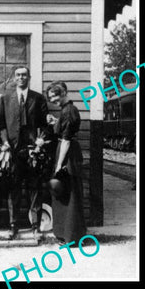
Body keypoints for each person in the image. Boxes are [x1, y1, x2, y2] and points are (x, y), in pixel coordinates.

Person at [0, 66, 49, 240]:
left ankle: (35, 227)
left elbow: (46, 124)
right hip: (13, 151)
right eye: (18, 75)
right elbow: (0, 125)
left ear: (29, 77)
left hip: (33, 151)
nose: (21, 77)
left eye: (24, 75)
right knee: (14, 189)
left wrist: (41, 139)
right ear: (13, 78)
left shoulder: (38, 98)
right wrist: (4, 142)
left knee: (35, 188)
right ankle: (13, 226)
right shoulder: (5, 98)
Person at [46, 81, 86, 244]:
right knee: (65, 193)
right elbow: (65, 129)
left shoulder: (69, 111)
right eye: (50, 98)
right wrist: (56, 122)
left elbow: (66, 140)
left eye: (55, 96)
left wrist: (58, 165)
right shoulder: (66, 110)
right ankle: (67, 234)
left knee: (70, 194)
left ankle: (71, 236)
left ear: (63, 93)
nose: (52, 100)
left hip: (67, 154)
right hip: (65, 152)